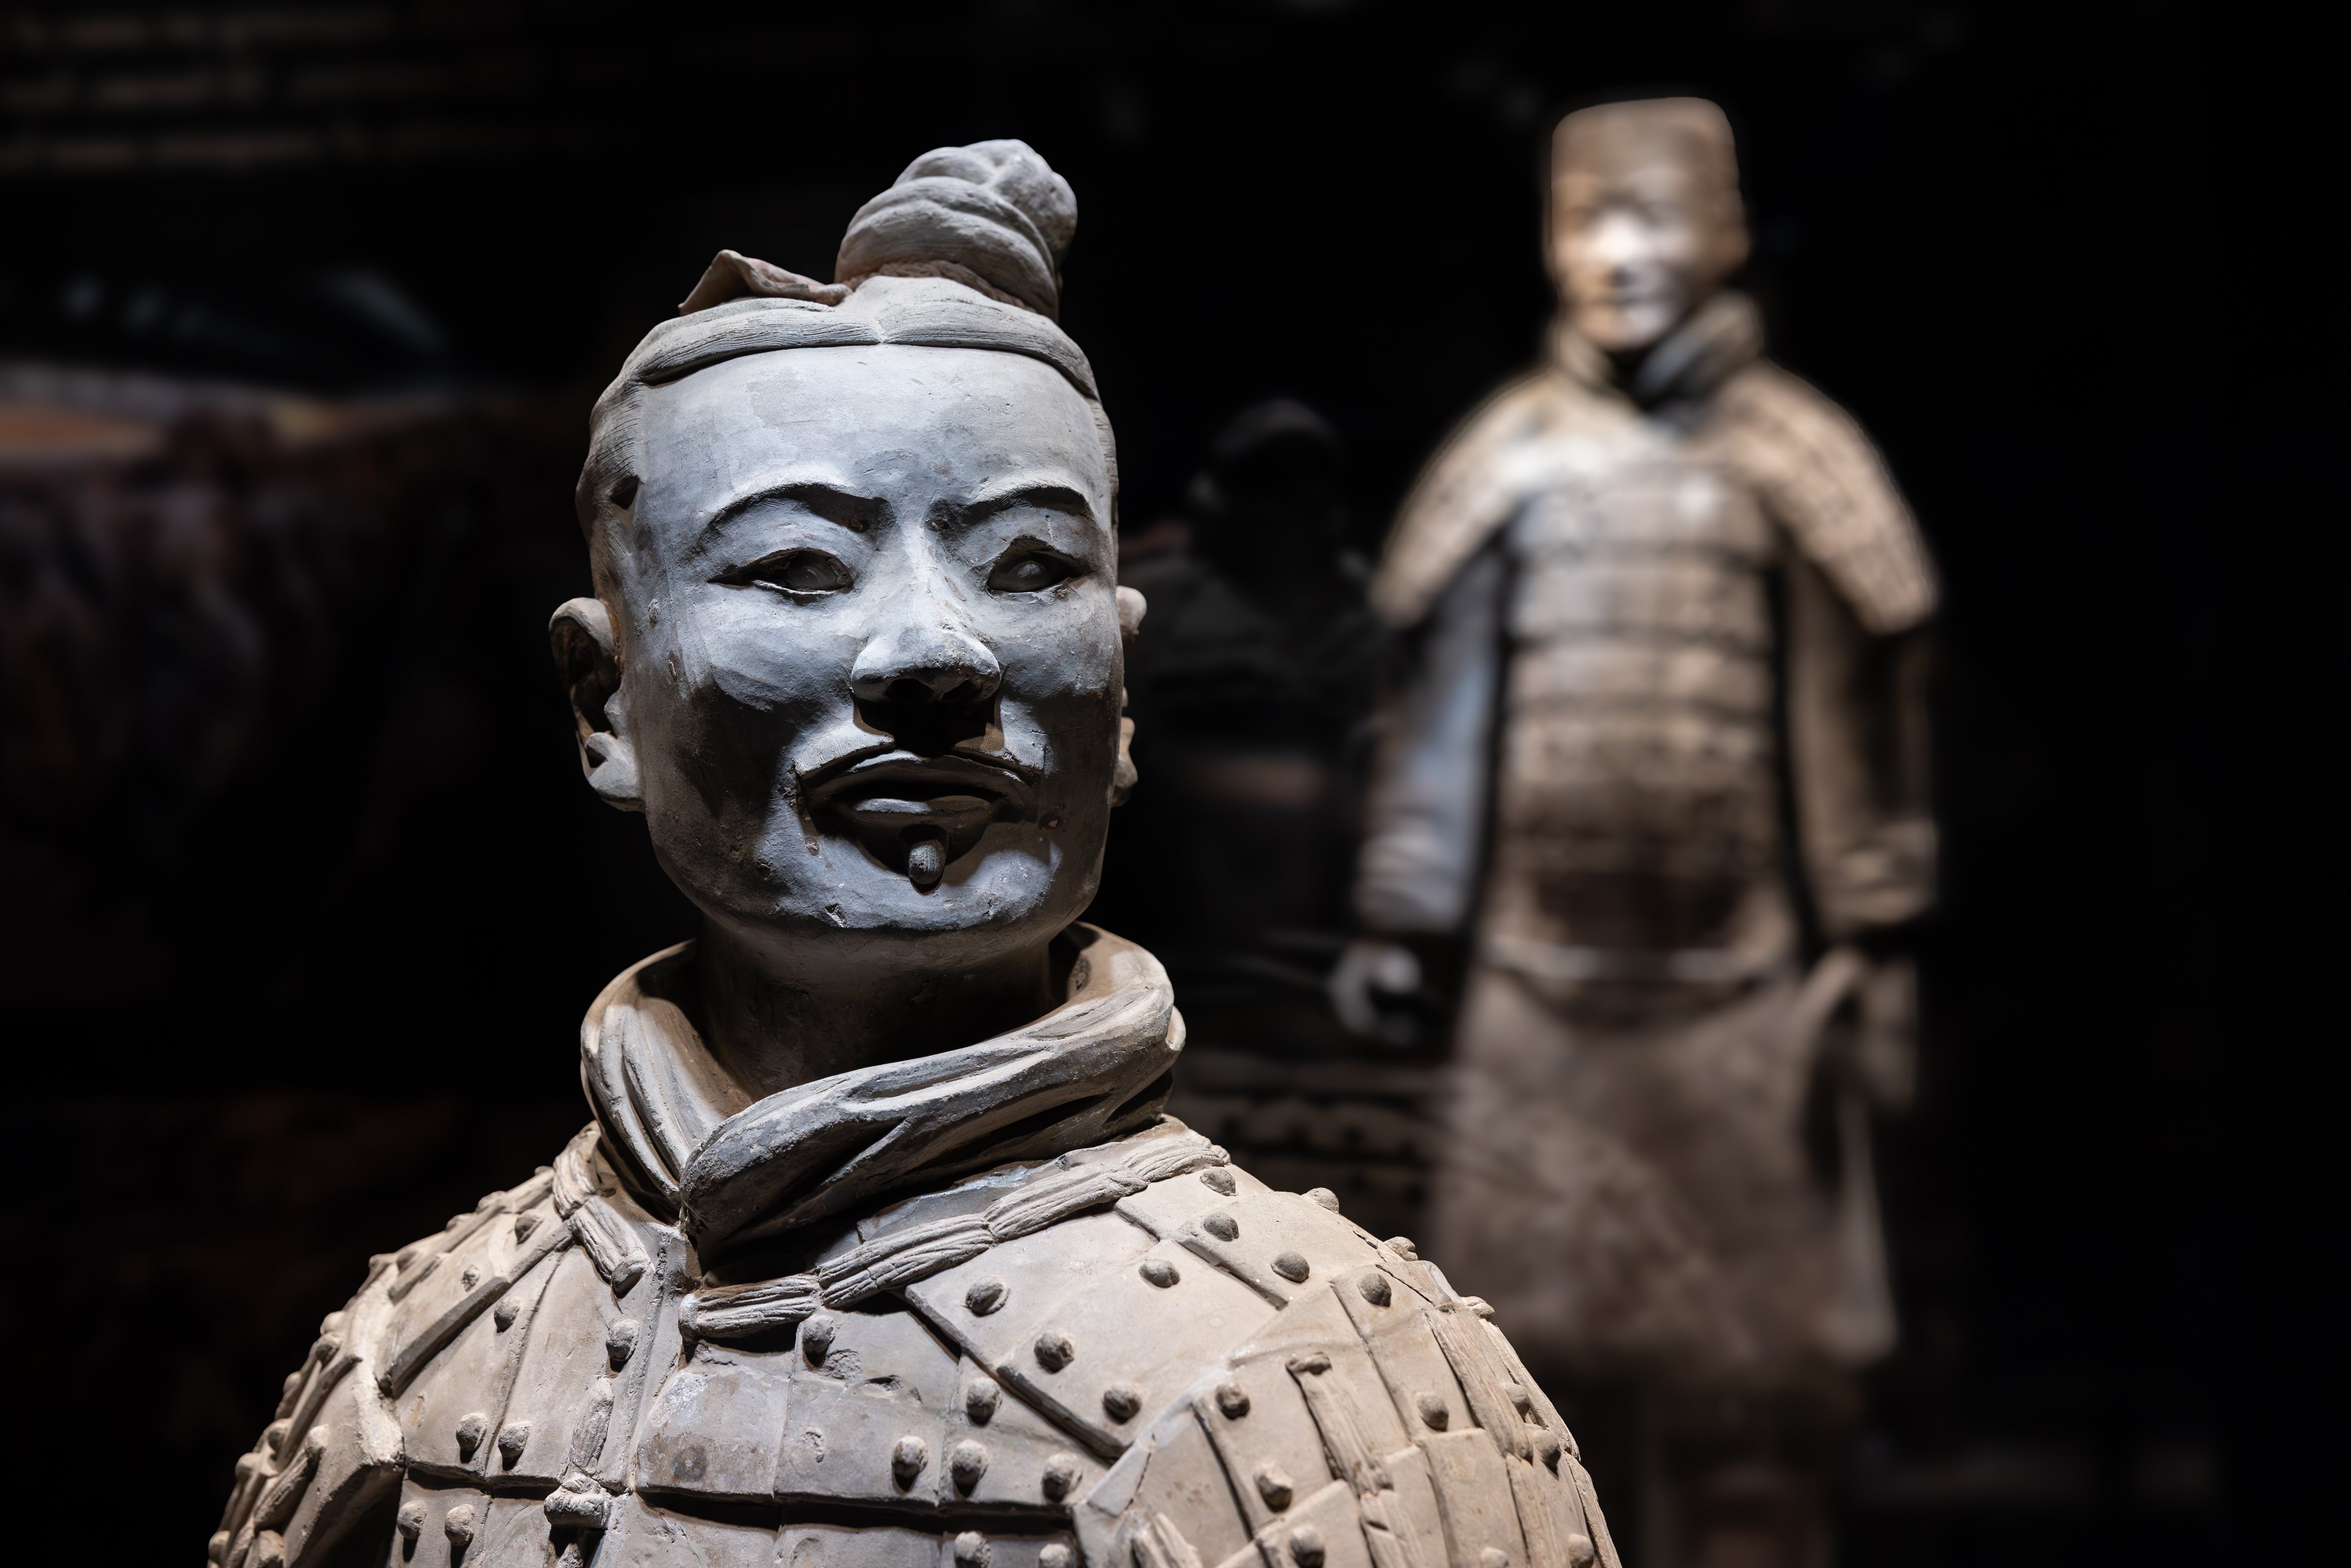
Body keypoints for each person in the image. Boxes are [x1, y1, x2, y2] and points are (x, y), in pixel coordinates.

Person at [206, 141, 1617, 1568]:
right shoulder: (421, 1353)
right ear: (605, 703)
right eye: (797, 568)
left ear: (1123, 690)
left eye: (1030, 566)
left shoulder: (1344, 1405)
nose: (940, 654)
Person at [1333, 100, 1937, 1568]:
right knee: (1529, 1409)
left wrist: (1875, 937)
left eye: (1652, 217)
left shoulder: (1791, 455)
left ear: (1725, 232)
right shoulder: (1511, 458)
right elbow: (1442, 716)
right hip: (1536, 1009)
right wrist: (1403, 915)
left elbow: (1853, 710)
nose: (1616, 254)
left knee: (1757, 1421)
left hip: (1744, 1013)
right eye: (1585, 221)